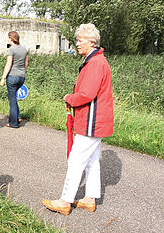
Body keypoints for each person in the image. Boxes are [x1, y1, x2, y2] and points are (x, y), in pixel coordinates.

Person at [42, 23, 113, 216]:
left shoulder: (96, 63)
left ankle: (64, 201)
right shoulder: (96, 61)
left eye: (80, 40)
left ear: (91, 42)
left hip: (92, 120)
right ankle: (90, 198)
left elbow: (87, 94)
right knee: (91, 160)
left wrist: (69, 98)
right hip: (96, 119)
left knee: (76, 160)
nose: (77, 44)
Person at [0, 30, 28, 128]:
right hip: (21, 77)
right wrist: (22, 73)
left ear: (11, 39)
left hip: (12, 77)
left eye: (8, 38)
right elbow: (26, 64)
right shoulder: (24, 49)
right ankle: (18, 117)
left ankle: (13, 123)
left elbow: (8, 64)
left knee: (12, 101)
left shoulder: (12, 49)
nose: (7, 39)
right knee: (14, 99)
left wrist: (3, 78)